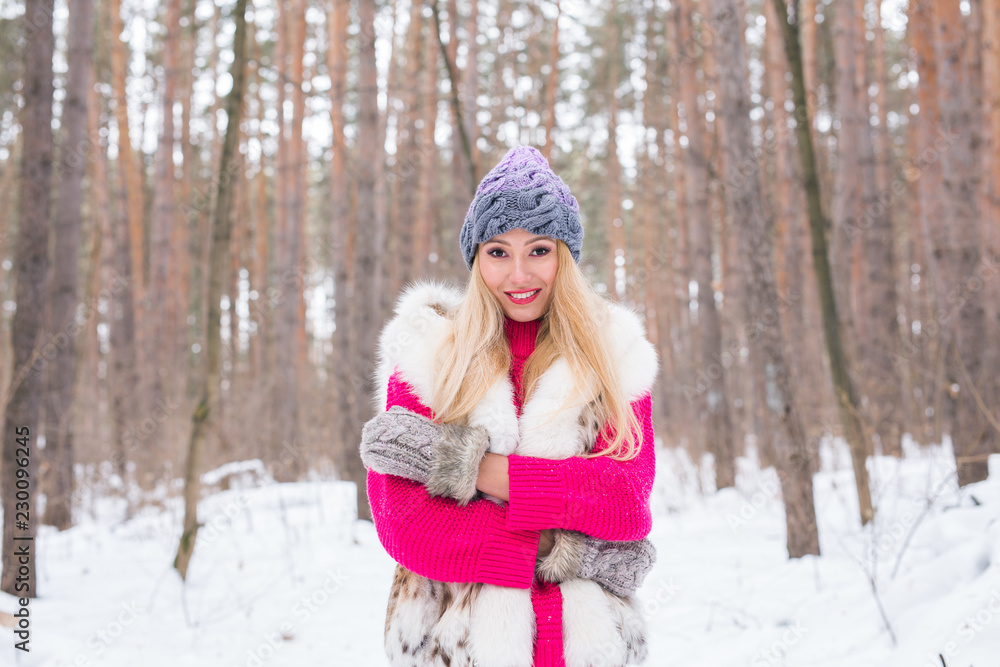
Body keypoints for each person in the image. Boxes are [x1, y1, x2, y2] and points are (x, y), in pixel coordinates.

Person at [360, 145, 659, 667]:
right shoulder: (430, 355)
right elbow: (406, 524)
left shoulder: (612, 356)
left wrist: (465, 466)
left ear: (564, 256)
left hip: (587, 648)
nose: (519, 274)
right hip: (458, 650)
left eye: (538, 250)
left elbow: (624, 500)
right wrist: (561, 546)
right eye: (498, 252)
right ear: (476, 260)